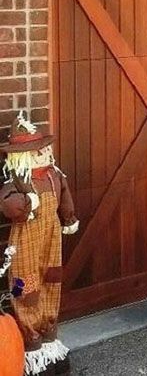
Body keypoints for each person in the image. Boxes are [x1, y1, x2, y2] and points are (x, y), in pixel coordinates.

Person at [1, 111, 78, 376]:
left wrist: (68, 218)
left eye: (43, 148)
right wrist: (26, 204)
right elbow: (7, 204)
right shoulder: (18, 182)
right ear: (20, 156)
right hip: (26, 240)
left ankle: (49, 340)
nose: (43, 153)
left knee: (51, 279)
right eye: (36, 151)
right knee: (26, 286)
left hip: (51, 237)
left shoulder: (54, 176)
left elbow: (65, 196)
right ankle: (33, 348)